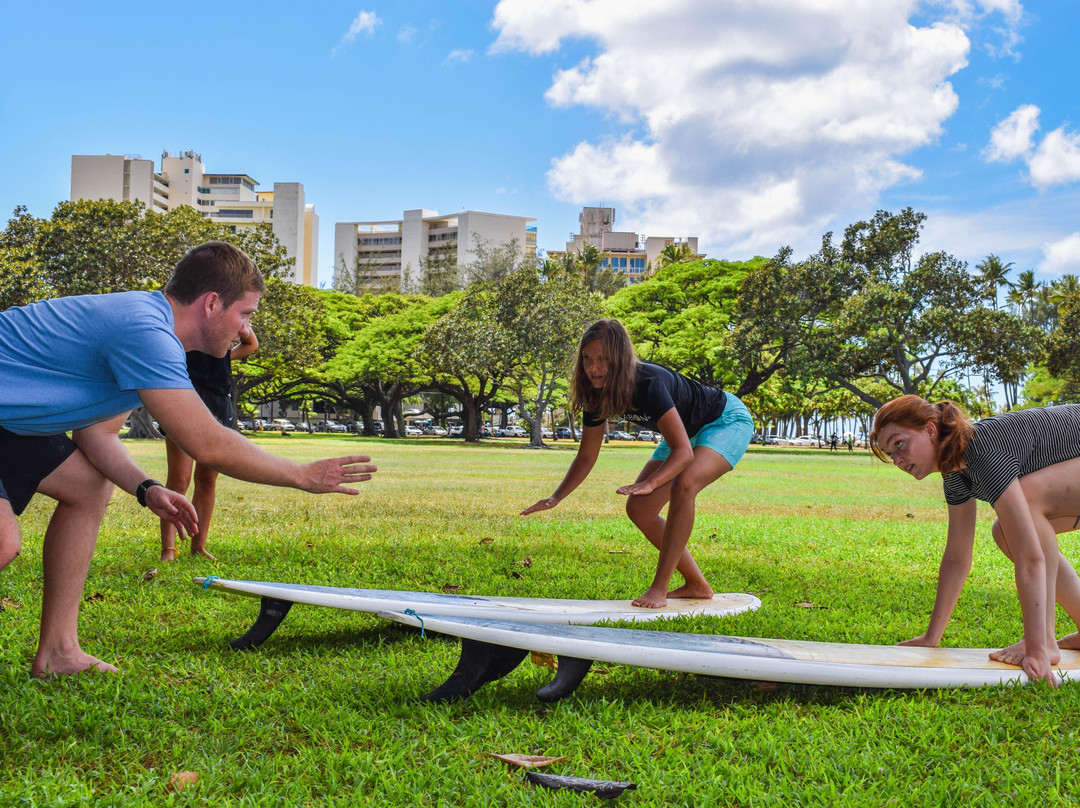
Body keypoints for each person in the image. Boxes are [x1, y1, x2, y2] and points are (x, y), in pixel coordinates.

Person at [0, 241, 377, 677]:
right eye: (246, 314)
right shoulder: (145, 332)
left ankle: (60, 653)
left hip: (10, 424)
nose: (245, 331)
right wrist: (302, 475)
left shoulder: (156, 336)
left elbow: (95, 433)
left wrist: (147, 488)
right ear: (212, 303)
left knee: (86, 484)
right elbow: (209, 444)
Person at [521, 318, 754, 608]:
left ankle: (659, 588)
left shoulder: (648, 382)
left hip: (723, 420)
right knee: (640, 509)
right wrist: (556, 496)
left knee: (685, 484)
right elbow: (586, 455)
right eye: (587, 359)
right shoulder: (596, 393)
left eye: (602, 360)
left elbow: (683, 453)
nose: (593, 369)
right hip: (684, 431)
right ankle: (696, 584)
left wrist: (651, 482)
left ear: (619, 358)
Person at [870, 395, 1080, 686]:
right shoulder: (955, 471)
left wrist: (1037, 650)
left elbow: (1032, 558)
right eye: (890, 453)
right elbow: (957, 558)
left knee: (1027, 501)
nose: (897, 459)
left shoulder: (981, 449)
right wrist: (932, 637)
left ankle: (1044, 642)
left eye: (899, 443)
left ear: (930, 430)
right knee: (1005, 531)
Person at [159, 328, 259, 562]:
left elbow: (250, 344)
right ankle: (168, 549)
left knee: (207, 479)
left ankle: (198, 546)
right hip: (184, 402)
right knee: (178, 481)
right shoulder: (186, 335)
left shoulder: (225, 341)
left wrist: (242, 325)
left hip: (218, 405)